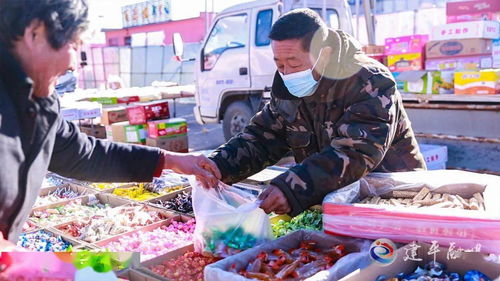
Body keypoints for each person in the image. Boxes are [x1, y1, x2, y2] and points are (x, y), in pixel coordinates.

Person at [0, 0, 220, 242]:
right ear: (35, 34)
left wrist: (169, 160)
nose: (74, 64)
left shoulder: (40, 100)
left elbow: (80, 154)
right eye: (73, 45)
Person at [208, 9, 426, 216]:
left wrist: (292, 187)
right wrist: (218, 166)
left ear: (324, 54)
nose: (286, 73)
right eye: (279, 64)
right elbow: (265, 137)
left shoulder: (369, 80)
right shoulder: (287, 86)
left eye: (293, 63)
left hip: (394, 198)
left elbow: (357, 152)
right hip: (334, 200)